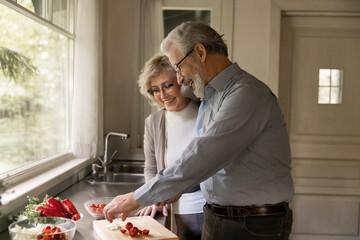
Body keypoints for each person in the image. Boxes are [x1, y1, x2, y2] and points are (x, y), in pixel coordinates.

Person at [104, 21, 294, 240]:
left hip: (254, 224)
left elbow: (204, 155)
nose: (180, 77)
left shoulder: (246, 94)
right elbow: (211, 166)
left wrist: (137, 197)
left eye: (178, 67)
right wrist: (173, 190)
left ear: (200, 52)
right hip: (219, 218)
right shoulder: (210, 98)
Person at [136, 54, 206, 240]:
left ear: (182, 81)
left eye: (168, 85)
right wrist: (153, 197)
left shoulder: (206, 113)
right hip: (173, 214)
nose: (162, 95)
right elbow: (151, 168)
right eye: (155, 90)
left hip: (207, 209)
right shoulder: (153, 122)